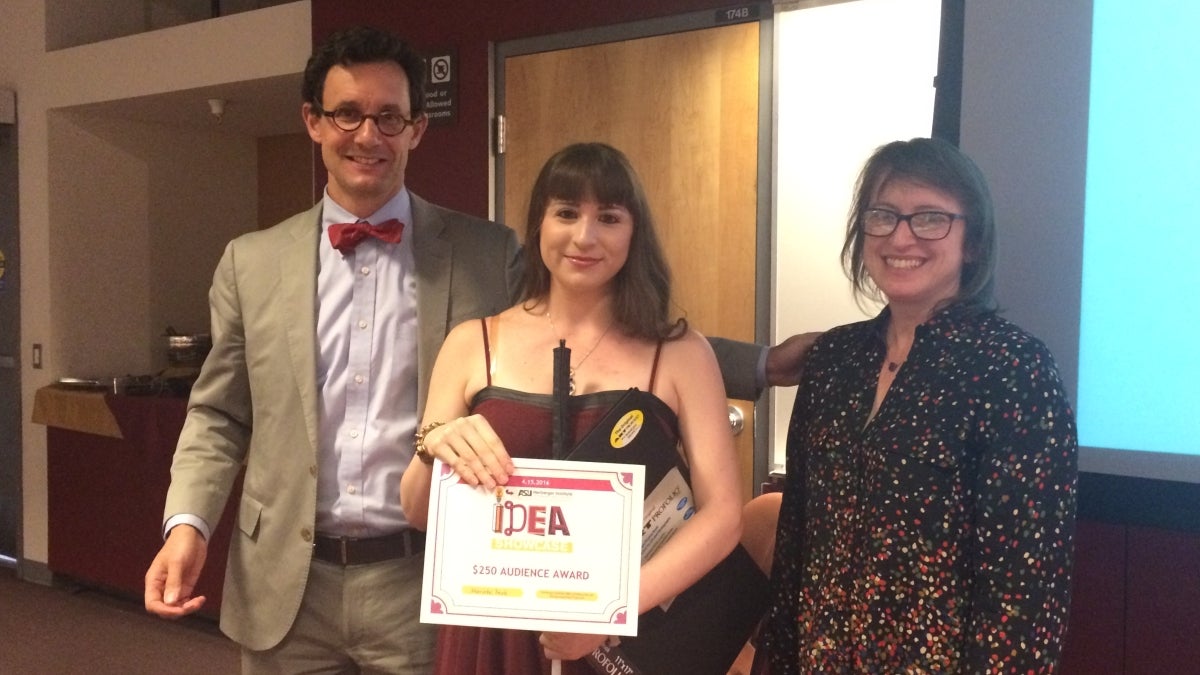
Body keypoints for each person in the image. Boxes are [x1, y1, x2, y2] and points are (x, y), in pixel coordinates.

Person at [143, 25, 810, 674]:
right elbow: (218, 414)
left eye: (388, 117)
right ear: (313, 121)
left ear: (416, 128)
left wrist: (760, 363)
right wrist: (188, 525)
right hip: (285, 584)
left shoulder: (486, 251)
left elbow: (594, 317)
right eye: (347, 115)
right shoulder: (250, 263)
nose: (368, 135)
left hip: (424, 578)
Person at [400, 142, 744, 675]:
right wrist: (433, 448)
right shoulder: (472, 343)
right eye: (566, 213)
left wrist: (609, 611)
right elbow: (420, 513)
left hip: (623, 630)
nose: (585, 237)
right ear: (539, 223)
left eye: (608, 217)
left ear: (635, 232)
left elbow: (722, 516)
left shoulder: (680, 352)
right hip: (491, 633)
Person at [758, 138, 1078, 674]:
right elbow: (797, 542)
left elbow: (1026, 588)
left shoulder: (1014, 368)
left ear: (971, 241)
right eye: (883, 216)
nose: (901, 235)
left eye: (930, 218)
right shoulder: (833, 359)